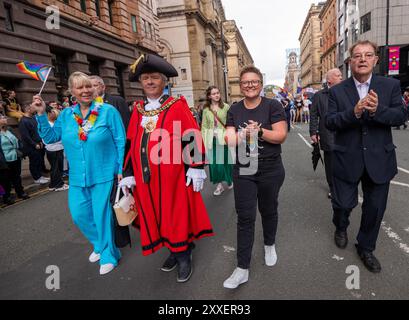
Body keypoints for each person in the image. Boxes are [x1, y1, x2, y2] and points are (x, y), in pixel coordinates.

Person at [119, 54, 214, 283]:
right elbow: (131, 143)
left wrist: (196, 166)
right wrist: (130, 173)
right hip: (145, 179)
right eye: (145, 78)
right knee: (157, 217)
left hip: (172, 178)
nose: (149, 82)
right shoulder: (138, 110)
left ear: (164, 82)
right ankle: (176, 249)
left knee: (175, 215)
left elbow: (191, 135)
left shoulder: (176, 106)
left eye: (154, 78)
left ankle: (183, 255)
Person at [33, 71, 126, 276]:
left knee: (102, 216)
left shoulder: (107, 111)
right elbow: (51, 137)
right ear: (72, 92)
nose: (85, 90)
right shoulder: (66, 115)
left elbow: (120, 140)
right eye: (80, 87)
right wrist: (41, 114)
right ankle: (100, 244)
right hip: (77, 176)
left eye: (88, 86)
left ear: (94, 89)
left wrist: (120, 169)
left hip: (103, 172)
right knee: (79, 215)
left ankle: (110, 255)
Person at [325, 40, 407, 273]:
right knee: (342, 204)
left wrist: (376, 110)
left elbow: (400, 115)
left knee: (375, 209)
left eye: (368, 55)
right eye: (357, 55)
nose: (362, 59)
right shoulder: (337, 91)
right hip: (346, 158)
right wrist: (354, 112)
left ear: (375, 59)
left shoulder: (390, 86)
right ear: (350, 62)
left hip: (379, 160)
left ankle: (366, 247)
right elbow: (330, 122)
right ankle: (340, 226)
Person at [223, 65, 287, 289]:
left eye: (254, 81)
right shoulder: (234, 109)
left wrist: (259, 131)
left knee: (269, 210)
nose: (249, 85)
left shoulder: (273, 105)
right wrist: (242, 134)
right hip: (243, 169)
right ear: (240, 86)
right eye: (245, 82)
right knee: (245, 217)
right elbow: (228, 140)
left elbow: (280, 135)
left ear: (260, 84)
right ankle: (242, 268)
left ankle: (269, 243)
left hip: (270, 168)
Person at [89, 75, 133, 248]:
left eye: (94, 85)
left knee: (117, 199)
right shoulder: (88, 108)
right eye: (88, 86)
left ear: (102, 87)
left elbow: (126, 131)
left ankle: (121, 238)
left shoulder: (115, 101)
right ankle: (108, 238)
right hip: (98, 162)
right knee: (102, 203)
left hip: (116, 159)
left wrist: (124, 164)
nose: (91, 89)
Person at [310, 68, 343, 199]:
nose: (341, 76)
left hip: (344, 132)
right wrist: (313, 132)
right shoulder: (319, 95)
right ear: (329, 80)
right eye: (338, 75)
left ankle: (344, 186)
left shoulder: (346, 92)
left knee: (345, 161)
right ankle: (333, 188)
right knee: (330, 163)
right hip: (327, 133)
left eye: (341, 74)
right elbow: (313, 115)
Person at [201, 86, 233, 196]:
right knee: (214, 165)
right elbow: (204, 126)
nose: (217, 95)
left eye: (218, 93)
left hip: (223, 139)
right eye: (214, 94)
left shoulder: (226, 107)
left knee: (225, 162)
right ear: (209, 96)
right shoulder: (205, 110)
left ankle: (229, 180)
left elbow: (230, 123)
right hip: (211, 140)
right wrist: (204, 142)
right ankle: (219, 186)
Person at [0, 115, 29, 205]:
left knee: (16, 177)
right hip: (4, 160)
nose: (6, 119)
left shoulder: (9, 129)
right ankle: (7, 197)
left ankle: (20, 192)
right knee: (6, 180)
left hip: (15, 156)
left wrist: (21, 150)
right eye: (3, 118)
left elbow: (17, 140)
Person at [18, 103, 49, 184]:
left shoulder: (33, 118)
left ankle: (40, 175)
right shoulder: (23, 121)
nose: (34, 109)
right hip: (31, 146)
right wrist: (34, 144)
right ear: (28, 109)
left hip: (39, 143)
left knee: (39, 161)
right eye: (32, 108)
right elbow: (26, 136)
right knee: (34, 162)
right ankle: (36, 178)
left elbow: (37, 131)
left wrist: (40, 141)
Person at [43, 107, 68, 192]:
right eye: (53, 112)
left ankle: (53, 184)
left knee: (56, 168)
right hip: (54, 149)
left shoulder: (55, 123)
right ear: (49, 114)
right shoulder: (48, 124)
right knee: (56, 168)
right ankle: (58, 185)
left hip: (58, 148)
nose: (56, 113)